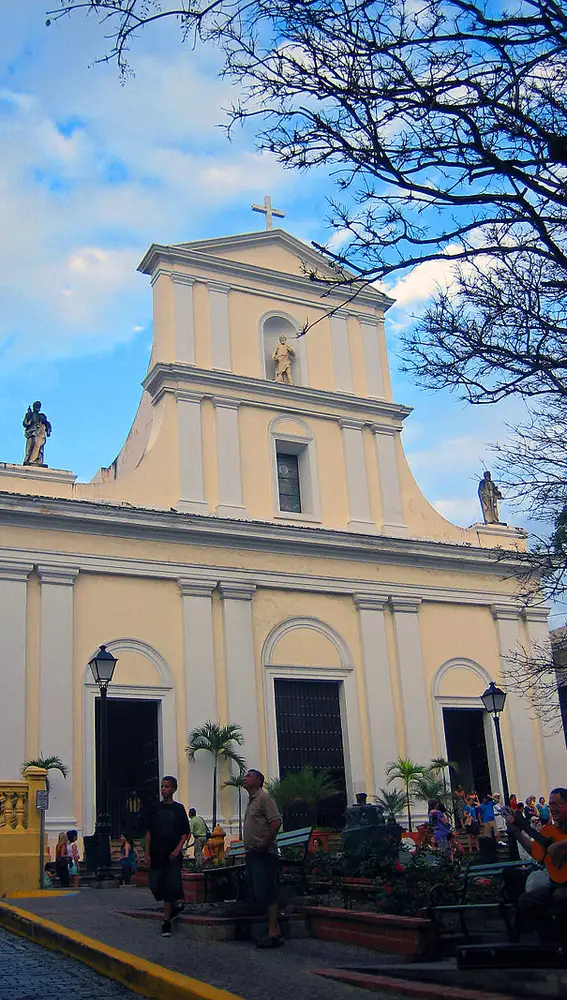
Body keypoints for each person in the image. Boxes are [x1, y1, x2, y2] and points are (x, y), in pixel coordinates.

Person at [509, 787, 567, 943]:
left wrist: (560, 845)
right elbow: (536, 851)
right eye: (551, 804)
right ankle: (552, 942)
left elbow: (554, 848)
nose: (552, 808)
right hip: (559, 883)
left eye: (557, 804)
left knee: (561, 896)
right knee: (527, 900)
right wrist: (517, 833)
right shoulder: (550, 831)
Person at [144, 776, 190, 937]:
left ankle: (166, 922)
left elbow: (185, 833)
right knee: (154, 884)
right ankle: (175, 907)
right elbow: (148, 832)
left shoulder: (179, 809)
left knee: (170, 886)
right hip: (157, 852)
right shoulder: (154, 808)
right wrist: (146, 853)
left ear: (173, 789)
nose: (163, 789)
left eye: (167, 786)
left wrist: (177, 850)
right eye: (162, 786)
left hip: (172, 854)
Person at [242, 768, 283, 948]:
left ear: (259, 781)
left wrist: (265, 841)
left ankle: (273, 932)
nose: (245, 778)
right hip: (253, 853)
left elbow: (276, 821)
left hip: (264, 853)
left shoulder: (264, 798)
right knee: (260, 892)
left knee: (267, 892)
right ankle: (275, 931)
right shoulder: (251, 801)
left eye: (249, 776)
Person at [23, 400, 52, 465]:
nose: (37, 408)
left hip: (39, 434)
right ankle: (29, 460)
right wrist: (29, 416)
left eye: (38, 406)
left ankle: (36, 460)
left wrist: (48, 430)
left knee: (38, 446)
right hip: (31, 433)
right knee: (29, 448)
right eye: (36, 406)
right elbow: (25, 423)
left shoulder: (42, 416)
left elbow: (47, 423)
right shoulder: (29, 414)